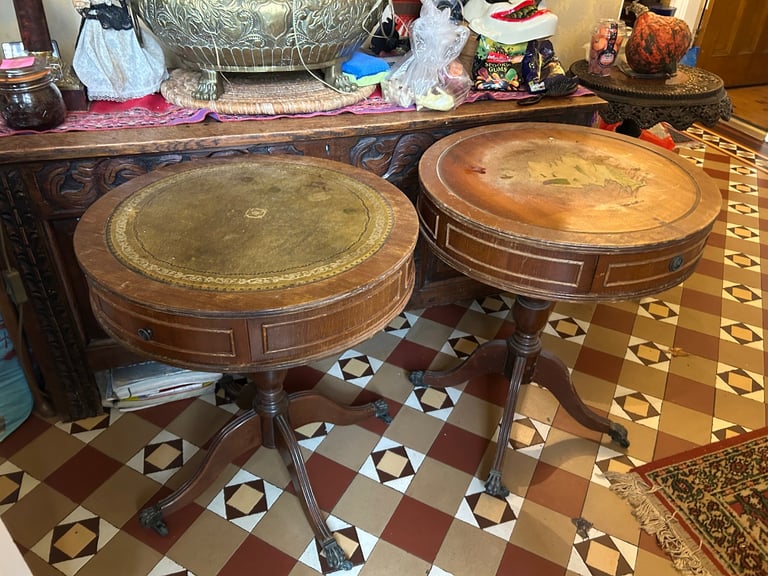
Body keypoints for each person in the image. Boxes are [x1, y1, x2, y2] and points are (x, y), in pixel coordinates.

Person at [71, 0, 167, 101]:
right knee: (100, 50)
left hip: (112, 12)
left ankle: (130, 80)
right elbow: (80, 5)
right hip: (96, 19)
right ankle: (109, 85)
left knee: (127, 45)